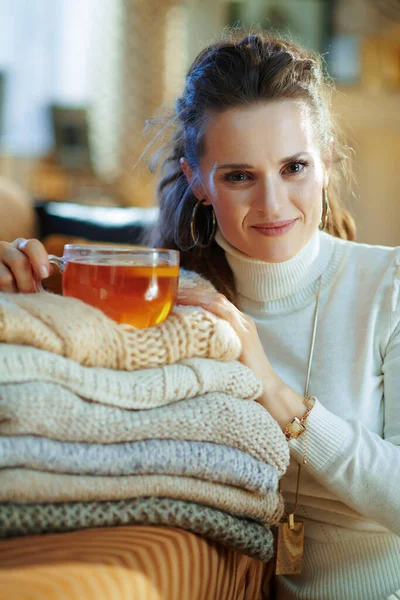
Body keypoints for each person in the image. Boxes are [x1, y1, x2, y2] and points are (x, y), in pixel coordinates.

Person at [0, 31, 399, 600]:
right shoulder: (173, 297)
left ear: (327, 164)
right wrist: (23, 292)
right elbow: (72, 393)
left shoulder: (390, 287)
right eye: (239, 175)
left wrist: (273, 391)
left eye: (294, 167)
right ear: (198, 180)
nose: (272, 204)